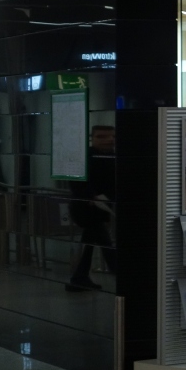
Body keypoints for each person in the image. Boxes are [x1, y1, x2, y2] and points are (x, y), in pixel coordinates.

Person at [67, 125, 116, 292]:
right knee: (105, 243)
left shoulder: (111, 156)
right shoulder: (86, 157)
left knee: (90, 242)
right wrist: (90, 196)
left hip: (100, 208)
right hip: (87, 209)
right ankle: (116, 271)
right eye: (101, 137)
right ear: (92, 138)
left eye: (111, 136)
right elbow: (77, 182)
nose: (108, 140)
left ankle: (79, 277)